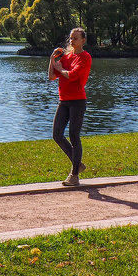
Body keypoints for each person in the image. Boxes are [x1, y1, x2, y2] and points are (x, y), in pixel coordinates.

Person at [48, 27, 92, 187]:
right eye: (71, 38)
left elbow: (72, 76)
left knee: (74, 136)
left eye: (75, 38)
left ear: (83, 41)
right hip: (63, 100)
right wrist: (52, 60)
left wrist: (60, 68)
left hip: (77, 101)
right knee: (57, 134)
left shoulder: (85, 57)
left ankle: (74, 175)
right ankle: (78, 164)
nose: (72, 41)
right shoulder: (66, 57)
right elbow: (52, 76)